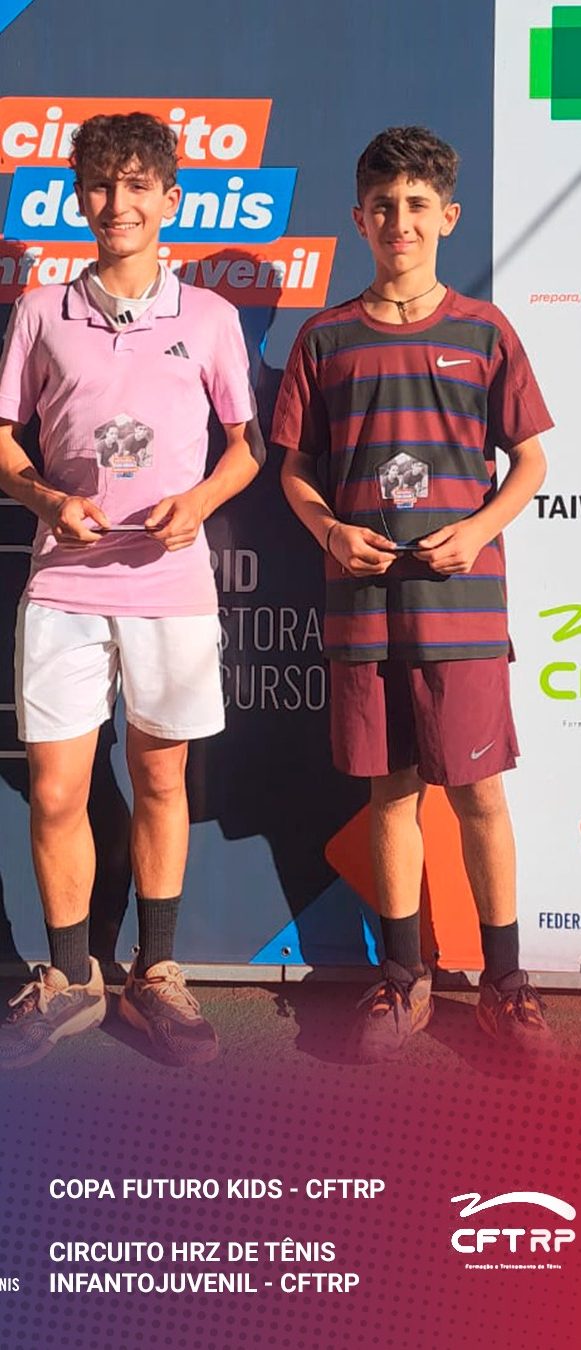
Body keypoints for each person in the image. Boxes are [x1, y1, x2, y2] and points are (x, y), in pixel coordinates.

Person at [272, 125, 553, 1060]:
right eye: (383, 206)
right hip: (362, 616)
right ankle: (401, 978)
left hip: (461, 615)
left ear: (448, 217)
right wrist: (329, 531)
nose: (400, 220)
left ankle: (505, 984)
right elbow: (295, 470)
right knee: (390, 796)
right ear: (358, 219)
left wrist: (475, 529)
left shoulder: (485, 330)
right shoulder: (324, 337)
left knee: (477, 796)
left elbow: (529, 460)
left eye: (418, 205)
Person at [0, 111, 264, 1069]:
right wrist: (44, 497)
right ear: (80, 199)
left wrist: (199, 502)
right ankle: (71, 978)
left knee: (160, 779)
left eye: (137, 186)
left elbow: (246, 449)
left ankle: (157, 971)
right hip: (63, 585)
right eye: (101, 187)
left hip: (171, 588)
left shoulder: (211, 319)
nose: (118, 204)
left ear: (169, 198)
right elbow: (3, 442)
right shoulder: (40, 311)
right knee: (56, 789)